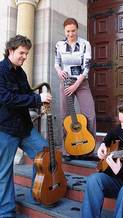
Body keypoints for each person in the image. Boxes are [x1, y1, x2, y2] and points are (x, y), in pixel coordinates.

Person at [0, 35, 52, 217]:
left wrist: (39, 100)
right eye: (21, 53)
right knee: (4, 172)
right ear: (10, 51)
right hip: (6, 129)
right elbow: (7, 99)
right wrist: (37, 98)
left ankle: (37, 192)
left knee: (45, 153)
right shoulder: (0, 71)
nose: (25, 57)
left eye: (27, 53)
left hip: (25, 127)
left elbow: (26, 94)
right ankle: (6, 212)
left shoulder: (21, 72)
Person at [82, 98, 123, 218]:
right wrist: (103, 144)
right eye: (121, 122)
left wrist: (120, 171)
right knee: (94, 180)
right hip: (121, 180)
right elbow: (111, 135)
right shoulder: (121, 129)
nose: (122, 127)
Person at [54, 18, 96, 141]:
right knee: (65, 116)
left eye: (73, 31)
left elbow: (87, 67)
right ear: (64, 31)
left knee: (90, 115)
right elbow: (57, 63)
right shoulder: (59, 45)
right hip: (66, 83)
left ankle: (90, 146)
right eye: (68, 31)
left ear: (77, 29)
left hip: (81, 83)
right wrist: (59, 71)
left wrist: (76, 84)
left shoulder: (85, 44)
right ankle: (67, 148)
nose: (70, 34)